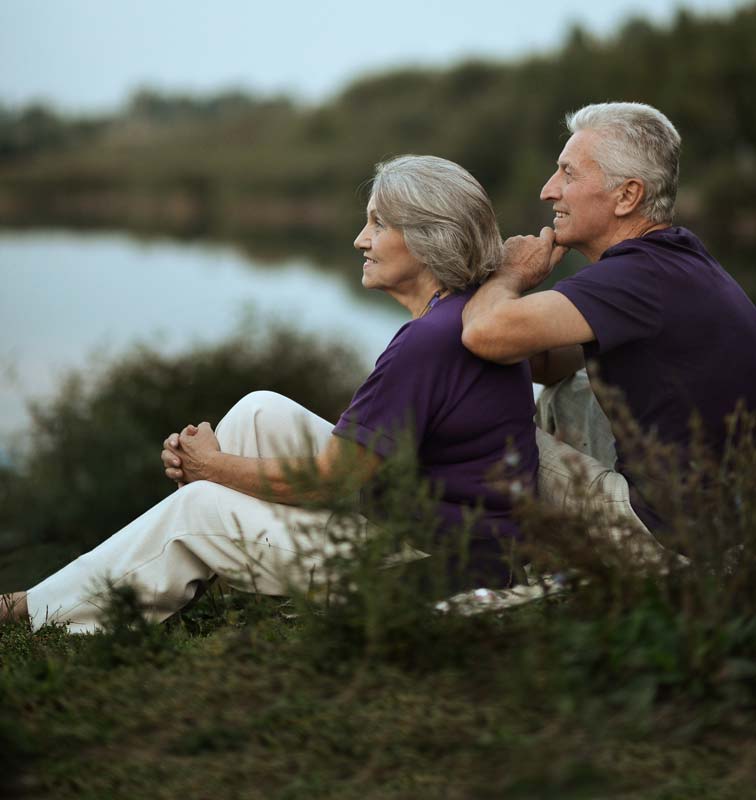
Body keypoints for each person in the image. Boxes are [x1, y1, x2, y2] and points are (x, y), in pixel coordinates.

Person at [1, 155, 538, 632]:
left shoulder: (427, 342)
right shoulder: (469, 315)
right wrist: (210, 463)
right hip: (443, 534)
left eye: (377, 223)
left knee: (199, 507)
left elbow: (333, 479)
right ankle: (171, 574)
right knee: (260, 411)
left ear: (427, 237)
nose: (360, 239)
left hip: (436, 570)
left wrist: (211, 469)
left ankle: (37, 611)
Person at [461, 101, 756, 558]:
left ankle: (476, 561)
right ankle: (552, 554)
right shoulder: (676, 258)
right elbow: (550, 362)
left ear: (627, 196)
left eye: (568, 174)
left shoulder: (633, 280)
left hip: (670, 536)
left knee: (474, 415)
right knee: (568, 390)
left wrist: (508, 276)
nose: (547, 190)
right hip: (722, 519)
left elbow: (483, 334)